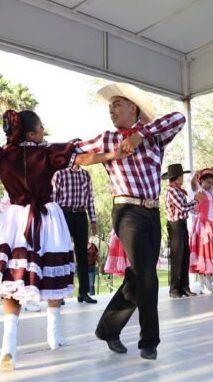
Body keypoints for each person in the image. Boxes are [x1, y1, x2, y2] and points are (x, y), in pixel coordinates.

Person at [0, 109, 125, 371]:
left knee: (13, 279)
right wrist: (113, 154)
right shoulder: (47, 152)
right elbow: (85, 159)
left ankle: (9, 345)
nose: (43, 130)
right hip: (46, 217)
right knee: (53, 271)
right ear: (31, 133)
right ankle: (53, 334)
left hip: (14, 218)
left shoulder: (2, 155)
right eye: (40, 127)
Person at [78, 82, 186, 361]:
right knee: (148, 276)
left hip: (152, 212)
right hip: (126, 212)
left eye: (116, 104)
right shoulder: (106, 139)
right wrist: (111, 155)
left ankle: (108, 329)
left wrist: (140, 134)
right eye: (110, 106)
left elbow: (179, 117)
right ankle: (149, 341)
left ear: (133, 108)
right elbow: (74, 155)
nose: (111, 110)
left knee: (139, 276)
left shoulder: (154, 137)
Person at [51, 162, 98, 304]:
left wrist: (93, 220)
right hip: (64, 214)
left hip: (80, 214)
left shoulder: (85, 175)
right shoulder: (60, 173)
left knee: (82, 255)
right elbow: (54, 198)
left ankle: (83, 292)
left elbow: (89, 198)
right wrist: (53, 220)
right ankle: (61, 293)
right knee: (63, 254)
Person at [163, 163, 198, 298]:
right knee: (177, 257)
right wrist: (196, 201)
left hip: (181, 224)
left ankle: (184, 287)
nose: (183, 178)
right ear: (177, 177)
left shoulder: (177, 190)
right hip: (175, 225)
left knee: (184, 256)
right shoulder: (172, 191)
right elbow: (182, 207)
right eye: (181, 175)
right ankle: (174, 289)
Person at [189, 169, 213, 295]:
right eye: (208, 182)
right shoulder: (199, 191)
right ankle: (203, 285)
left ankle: (208, 284)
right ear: (201, 181)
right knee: (203, 254)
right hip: (203, 225)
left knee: (210, 254)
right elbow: (192, 184)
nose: (210, 185)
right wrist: (195, 176)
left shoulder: (209, 193)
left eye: (211, 183)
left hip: (212, 224)